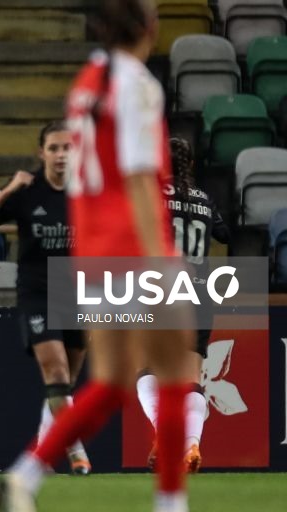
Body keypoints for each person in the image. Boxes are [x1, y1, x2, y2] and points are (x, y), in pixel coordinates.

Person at [0, 1, 194, 511]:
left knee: (111, 383)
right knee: (175, 375)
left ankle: (24, 476)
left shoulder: (89, 80)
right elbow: (139, 177)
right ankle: (171, 504)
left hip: (95, 254)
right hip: (135, 248)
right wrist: (159, 261)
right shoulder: (138, 84)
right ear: (151, 27)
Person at [0, 120, 91, 475]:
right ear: (42, 153)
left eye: (67, 148)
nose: (60, 155)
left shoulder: (86, 190)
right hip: (38, 292)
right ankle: (76, 451)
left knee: (65, 382)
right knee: (54, 369)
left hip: (78, 293)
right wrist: (9, 188)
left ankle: (43, 449)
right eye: (53, 148)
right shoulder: (27, 190)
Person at [136, 137, 230, 473]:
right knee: (191, 377)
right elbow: (225, 234)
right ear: (189, 165)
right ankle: (191, 443)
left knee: (148, 370)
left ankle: (164, 431)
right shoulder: (205, 200)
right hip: (199, 292)